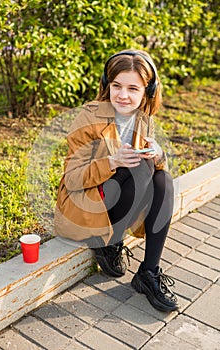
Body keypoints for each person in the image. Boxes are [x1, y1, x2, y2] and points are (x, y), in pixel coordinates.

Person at [54, 49, 179, 312]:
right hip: (84, 204)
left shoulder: (143, 119)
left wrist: (159, 154)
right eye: (116, 86)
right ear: (106, 85)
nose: (123, 95)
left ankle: (149, 273)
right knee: (142, 166)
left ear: (149, 90)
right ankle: (110, 243)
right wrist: (112, 162)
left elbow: (153, 178)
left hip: (119, 197)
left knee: (163, 179)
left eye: (133, 88)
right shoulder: (88, 117)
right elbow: (72, 179)